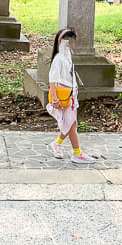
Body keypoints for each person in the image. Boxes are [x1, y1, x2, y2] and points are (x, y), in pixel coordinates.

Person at [46, 27, 98, 164]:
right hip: (63, 96)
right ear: (65, 42)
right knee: (72, 124)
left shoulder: (67, 55)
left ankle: (58, 143)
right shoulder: (59, 59)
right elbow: (52, 80)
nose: (75, 43)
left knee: (70, 123)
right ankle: (77, 153)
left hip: (71, 95)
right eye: (73, 40)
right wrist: (55, 99)